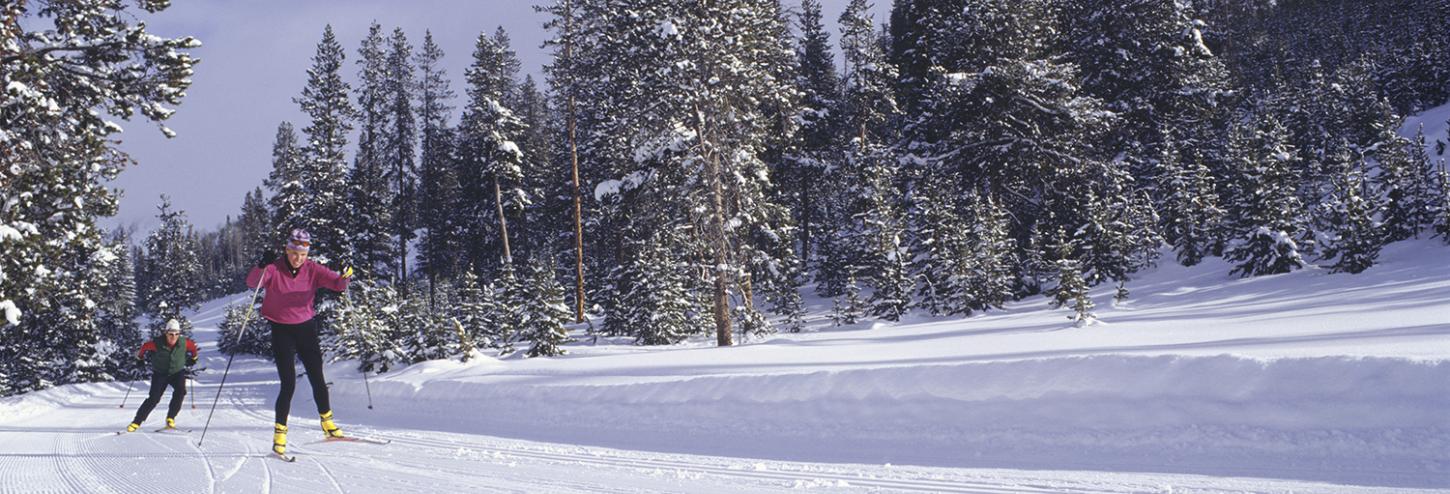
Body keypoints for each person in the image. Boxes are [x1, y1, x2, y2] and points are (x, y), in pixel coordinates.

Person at [246, 228, 353, 456]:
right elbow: (252, 283)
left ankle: (328, 424)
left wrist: (346, 275)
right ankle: (279, 435)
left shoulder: (312, 269)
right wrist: (261, 265)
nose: (298, 259)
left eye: (303, 254)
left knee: (318, 378)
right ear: (287, 249)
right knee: (288, 384)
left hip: (306, 328)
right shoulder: (274, 268)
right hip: (281, 329)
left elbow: (338, 285)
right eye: (295, 253)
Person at [124, 319, 198, 432]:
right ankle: (136, 422)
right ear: (166, 333)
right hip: (160, 373)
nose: (173, 337)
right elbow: (143, 348)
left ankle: (170, 418)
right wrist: (140, 359)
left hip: (177, 372)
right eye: (171, 334)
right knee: (154, 398)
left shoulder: (185, 343)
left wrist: (193, 359)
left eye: (176, 334)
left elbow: (193, 349)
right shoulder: (155, 343)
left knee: (181, 391)